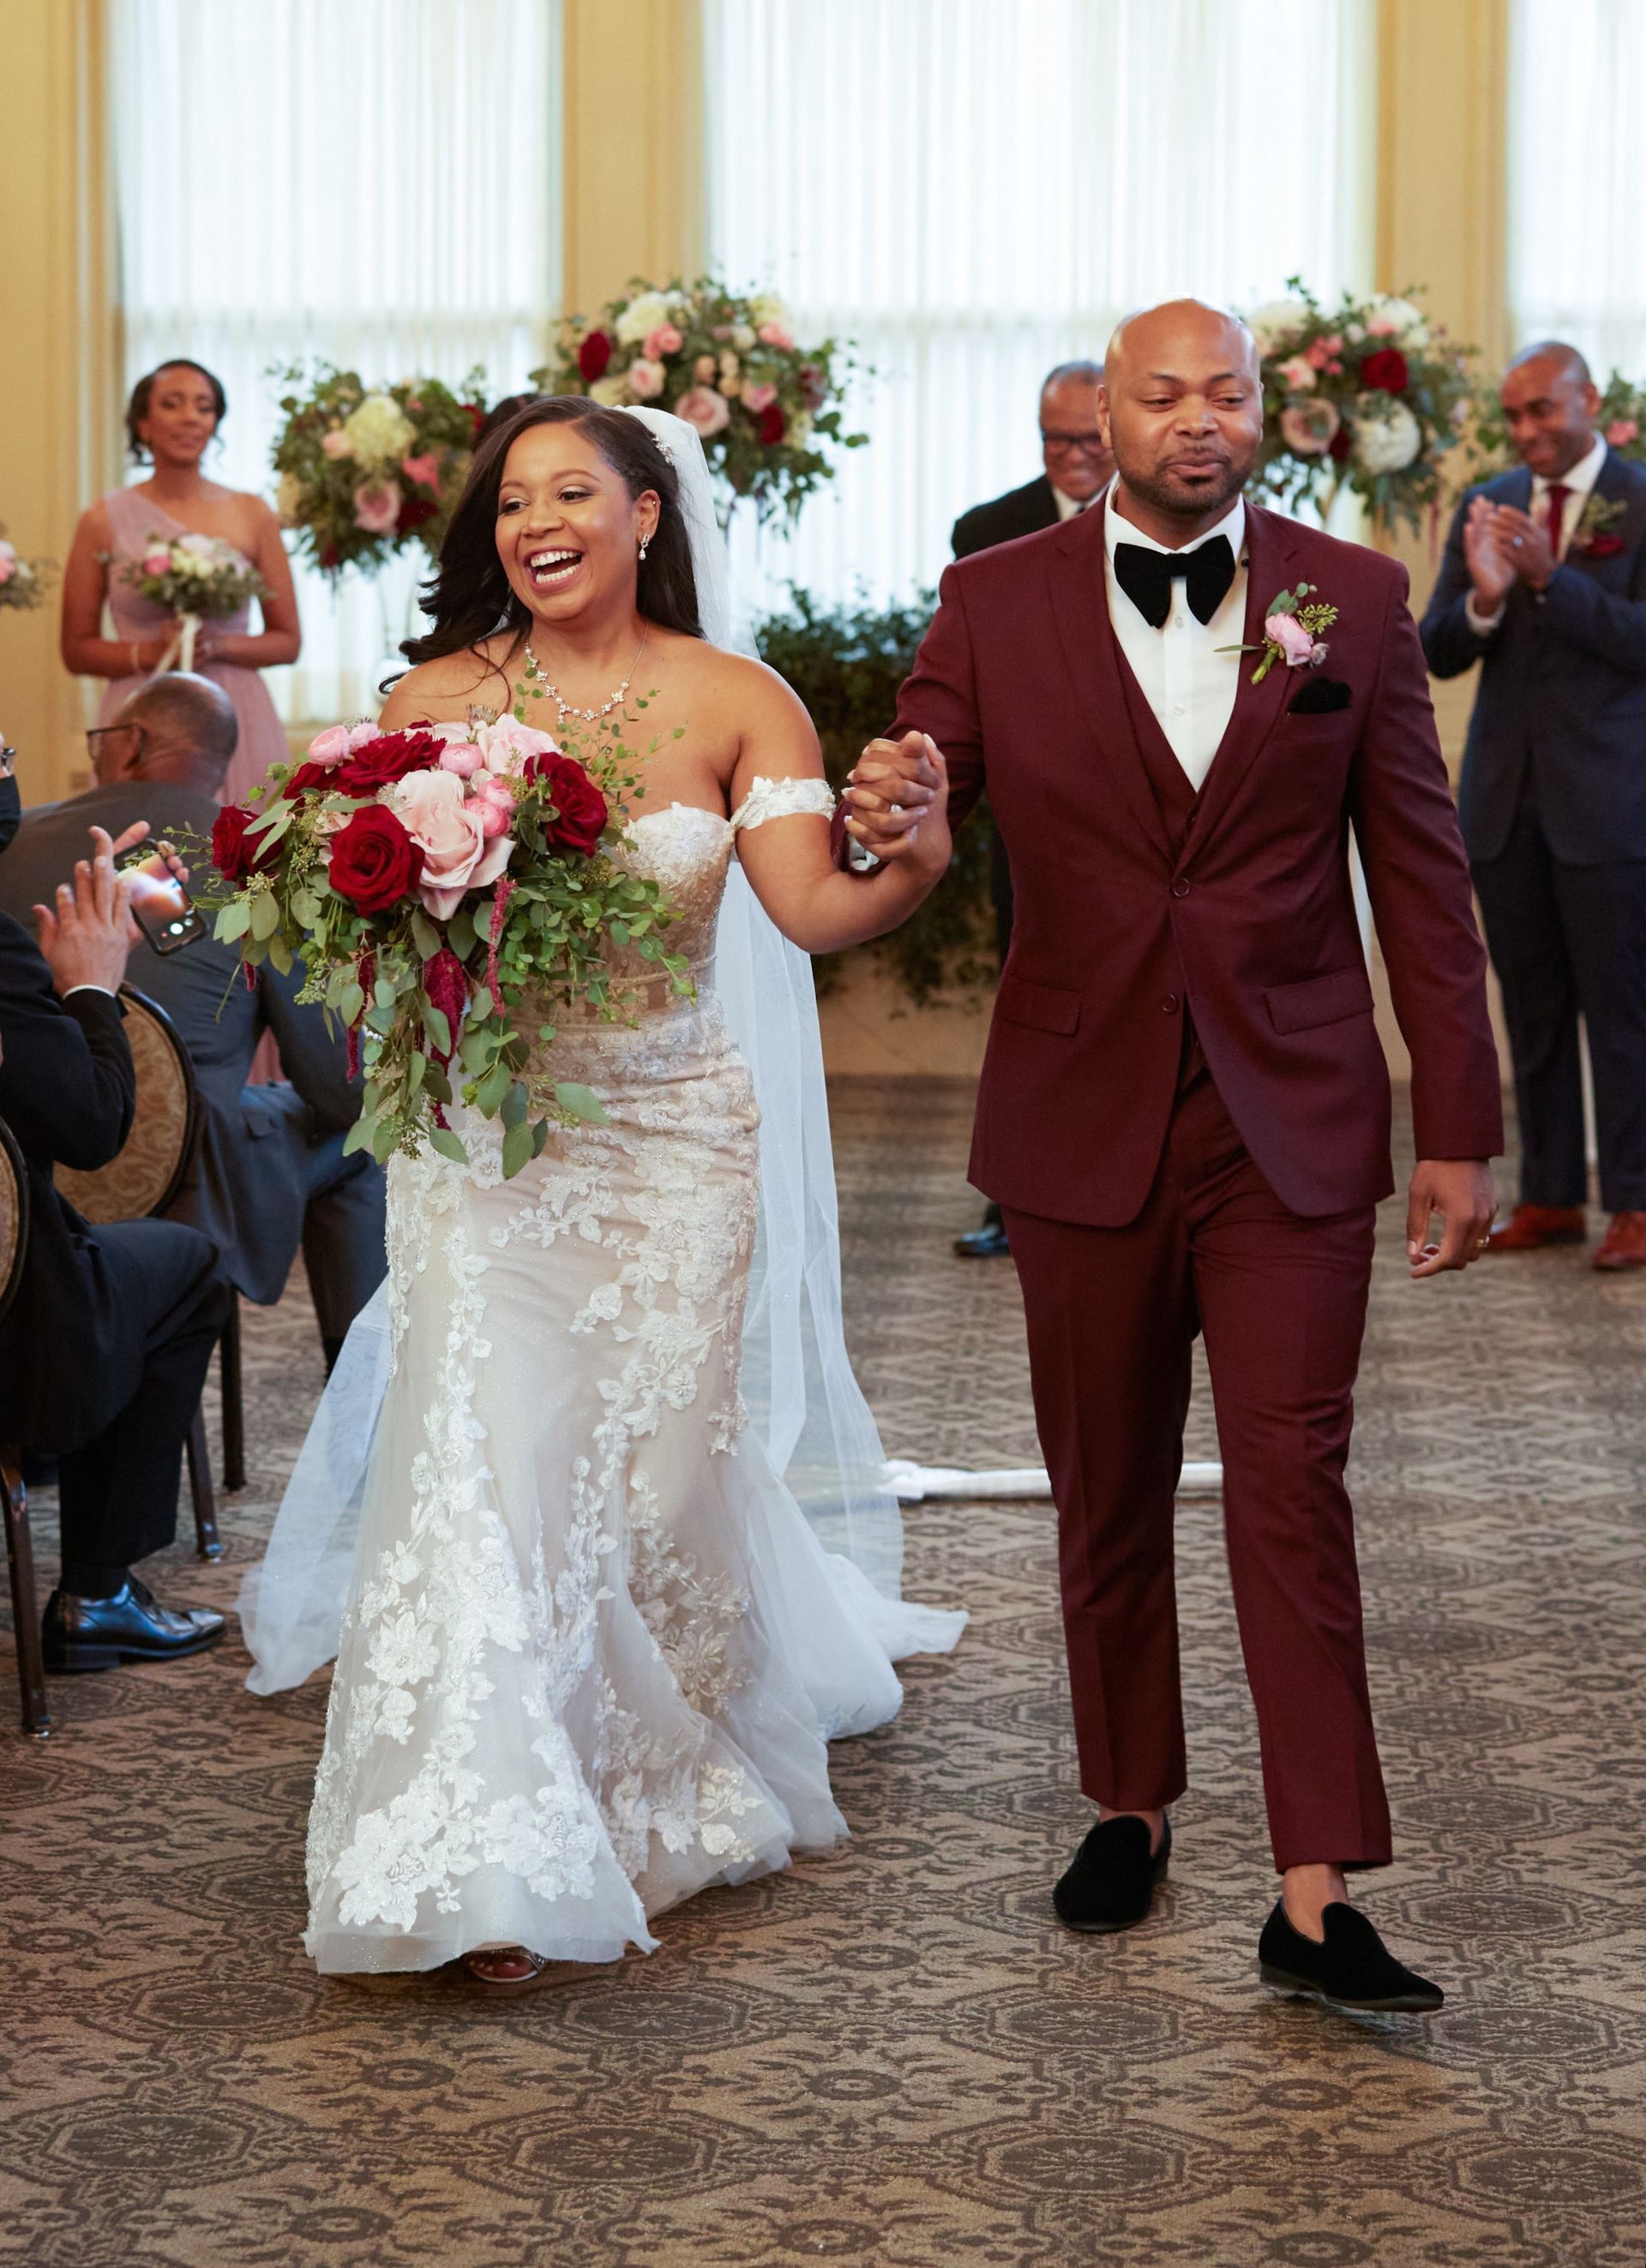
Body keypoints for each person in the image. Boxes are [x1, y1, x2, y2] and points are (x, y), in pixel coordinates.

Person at [239, 400, 964, 1989]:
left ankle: (641, 1774)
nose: (537, 521)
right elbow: (373, 935)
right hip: (488, 1147)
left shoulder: (737, 700)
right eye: (512, 501)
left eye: (574, 491)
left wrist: (911, 863)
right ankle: (492, 1844)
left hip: (677, 1139)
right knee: (486, 1471)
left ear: (647, 514)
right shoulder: (427, 701)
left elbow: (816, 908)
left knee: (650, 1483)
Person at [877, 298, 1502, 2014]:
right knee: (1109, 1483)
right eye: (1163, 396)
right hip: (1079, 1112)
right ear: (1104, 417)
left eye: (1226, 392)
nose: (1199, 421)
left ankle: (1315, 1891)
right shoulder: (994, 600)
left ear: (1258, 412)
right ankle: (1130, 1801)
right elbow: (926, 785)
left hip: (1288, 1110)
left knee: (1296, 1486)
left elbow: (1424, 880)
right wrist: (903, 807)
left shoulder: (1348, 596)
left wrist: (1458, 1120)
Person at [0, 672, 385, 1371]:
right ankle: (357, 1385)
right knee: (362, 1141)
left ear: (132, 742)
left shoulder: (17, 838)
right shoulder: (261, 860)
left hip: (34, 1169)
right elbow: (334, 1084)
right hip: (188, 1174)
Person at [0, 751, 228, 1673]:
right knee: (185, 1265)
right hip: (15, 1340)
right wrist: (92, 985)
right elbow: (92, 1129)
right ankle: (96, 1591)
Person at [1420, 342, 1646, 1269]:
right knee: (1533, 1012)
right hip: (1506, 807)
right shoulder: (1492, 501)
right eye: (1514, 417)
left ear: (1587, 400)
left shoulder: (1640, 500)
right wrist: (1482, 596)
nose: (1526, 433)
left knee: (1625, 1011)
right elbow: (1435, 647)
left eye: (1542, 411)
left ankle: (1636, 1200)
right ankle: (1551, 1193)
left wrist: (1556, 579)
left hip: (1614, 805)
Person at [951, 361, 1115, 1260]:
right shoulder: (987, 531)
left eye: (1090, 440)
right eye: (1058, 441)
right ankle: (1018, 1201)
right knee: (1036, 1010)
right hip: (1036, 823)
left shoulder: (1178, 522)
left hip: (1150, 829)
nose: (1076, 456)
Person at [60, 359, 299, 807]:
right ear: (144, 424)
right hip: (141, 712)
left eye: (204, 407)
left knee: (244, 860)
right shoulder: (101, 520)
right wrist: (146, 653)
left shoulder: (253, 513)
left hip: (236, 711)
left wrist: (220, 646)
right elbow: (76, 649)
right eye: (173, 404)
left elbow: (287, 641)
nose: (191, 417)